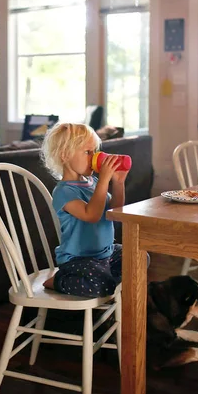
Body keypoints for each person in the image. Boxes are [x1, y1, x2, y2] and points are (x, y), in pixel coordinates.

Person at [40, 122, 128, 297]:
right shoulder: (64, 191)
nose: (94, 157)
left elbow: (116, 213)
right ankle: (59, 280)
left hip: (105, 254)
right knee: (101, 284)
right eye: (88, 152)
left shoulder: (93, 182)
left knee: (138, 257)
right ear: (65, 155)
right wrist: (103, 180)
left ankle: (107, 280)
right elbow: (92, 215)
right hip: (78, 259)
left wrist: (118, 182)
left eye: (95, 151)